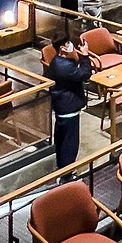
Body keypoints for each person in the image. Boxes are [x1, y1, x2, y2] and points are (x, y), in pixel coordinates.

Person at [46, 38, 93, 168]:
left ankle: (62, 167)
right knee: (69, 144)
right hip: (68, 108)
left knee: (61, 141)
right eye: (67, 43)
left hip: (61, 106)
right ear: (62, 48)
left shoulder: (56, 61)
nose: (71, 45)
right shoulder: (65, 67)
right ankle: (67, 174)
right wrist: (85, 55)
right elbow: (85, 74)